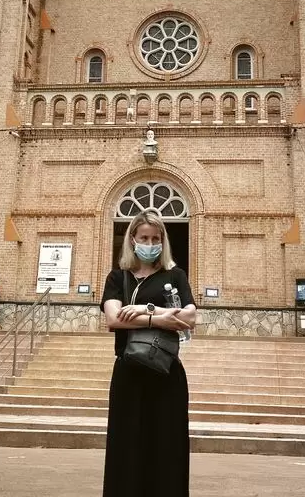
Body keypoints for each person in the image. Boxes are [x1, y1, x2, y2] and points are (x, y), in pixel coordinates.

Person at [100, 210, 196, 497]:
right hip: (129, 372)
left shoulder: (175, 274)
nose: (150, 243)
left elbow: (190, 316)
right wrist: (161, 320)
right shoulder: (118, 278)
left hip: (166, 373)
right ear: (132, 239)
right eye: (144, 237)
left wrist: (145, 309)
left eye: (156, 238)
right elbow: (114, 319)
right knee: (127, 447)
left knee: (167, 446)